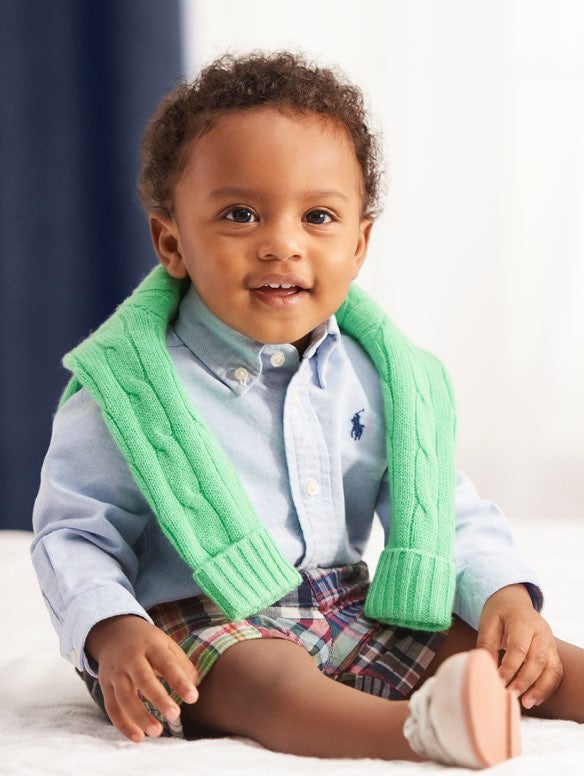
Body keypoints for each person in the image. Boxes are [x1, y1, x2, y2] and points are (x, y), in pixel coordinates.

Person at [31, 51, 584, 768]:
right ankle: (417, 731)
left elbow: (442, 507)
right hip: (195, 620)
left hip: (343, 603)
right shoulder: (130, 392)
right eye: (240, 214)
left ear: (358, 245)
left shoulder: (381, 376)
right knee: (272, 681)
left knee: (506, 648)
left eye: (318, 216)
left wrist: (503, 595)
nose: (282, 244)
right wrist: (112, 630)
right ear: (172, 242)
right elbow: (74, 535)